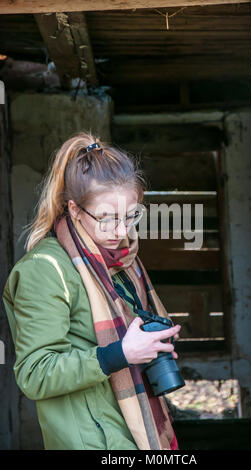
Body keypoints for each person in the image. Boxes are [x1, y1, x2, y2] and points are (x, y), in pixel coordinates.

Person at [2, 131, 182, 450]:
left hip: (134, 434)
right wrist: (121, 354)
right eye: (107, 219)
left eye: (130, 217)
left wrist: (151, 341)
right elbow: (34, 373)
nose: (121, 231)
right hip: (93, 441)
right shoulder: (45, 270)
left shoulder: (123, 262)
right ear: (74, 210)